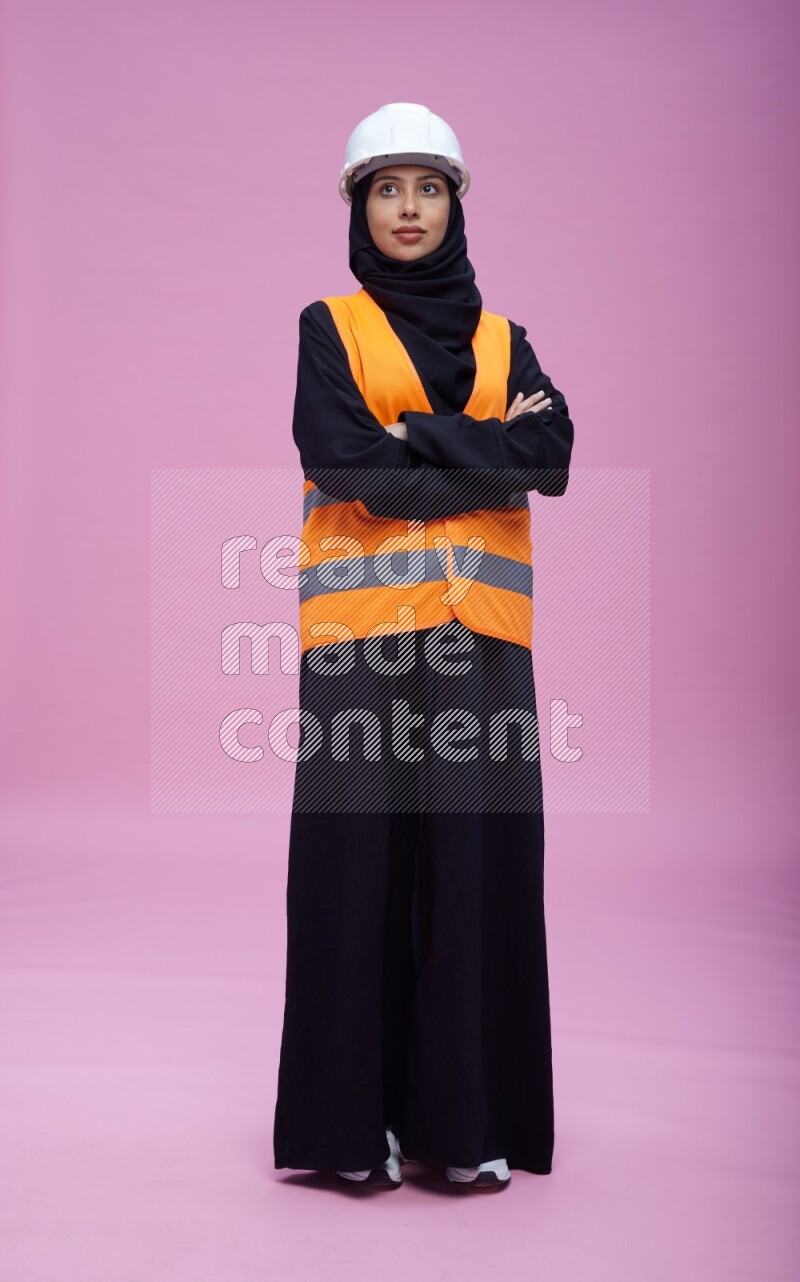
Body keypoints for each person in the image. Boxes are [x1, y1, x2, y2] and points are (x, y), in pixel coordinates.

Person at [273, 103, 574, 1191]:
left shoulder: (504, 337)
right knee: (354, 878)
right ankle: (347, 1131)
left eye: (427, 188)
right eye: (386, 188)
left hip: (481, 641)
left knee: (475, 874)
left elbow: (552, 454)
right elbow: (346, 464)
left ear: (454, 205)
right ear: (359, 205)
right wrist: (479, 450)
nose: (407, 208)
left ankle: (463, 1125)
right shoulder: (329, 326)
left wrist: (419, 436)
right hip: (358, 642)